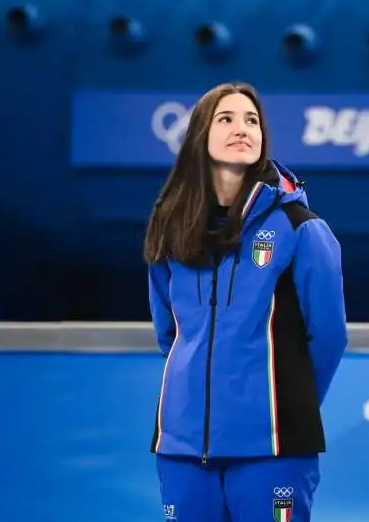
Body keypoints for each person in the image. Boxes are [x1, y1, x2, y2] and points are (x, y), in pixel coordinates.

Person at [143, 82, 348, 522]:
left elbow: (329, 336)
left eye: (252, 120)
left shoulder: (301, 228)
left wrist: (287, 404)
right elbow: (169, 333)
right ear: (200, 134)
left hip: (272, 447)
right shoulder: (170, 227)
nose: (243, 128)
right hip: (182, 447)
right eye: (227, 119)